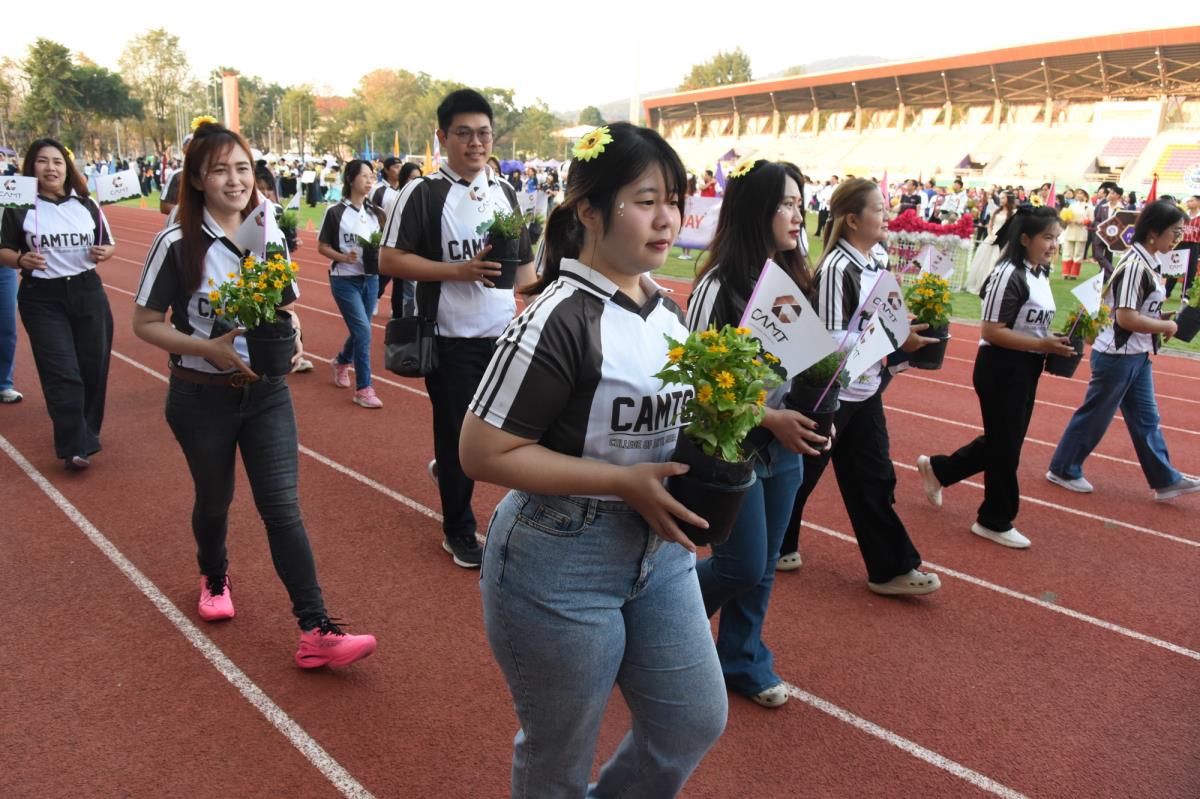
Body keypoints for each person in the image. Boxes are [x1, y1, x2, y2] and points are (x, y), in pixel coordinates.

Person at [459, 120, 726, 798]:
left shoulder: (668, 312)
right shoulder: (557, 317)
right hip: (560, 557)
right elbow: (480, 450)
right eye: (646, 201)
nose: (667, 219)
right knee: (560, 754)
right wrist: (620, 482)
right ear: (588, 210)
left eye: (674, 200)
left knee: (691, 719)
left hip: (660, 552)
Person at [131, 121, 376, 666]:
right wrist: (208, 348)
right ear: (198, 179)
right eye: (220, 169)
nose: (235, 179)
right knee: (214, 499)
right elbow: (143, 323)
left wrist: (292, 336)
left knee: (282, 508)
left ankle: (316, 630)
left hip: (266, 394)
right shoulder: (176, 242)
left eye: (242, 168)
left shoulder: (268, 231)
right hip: (200, 396)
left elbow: (283, 306)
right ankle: (214, 575)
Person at [685, 160, 827, 708]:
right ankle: (658, 621)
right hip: (731, 448)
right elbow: (696, 380)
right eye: (786, 204)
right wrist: (770, 418)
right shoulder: (718, 286)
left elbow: (802, 365)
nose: (797, 216)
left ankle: (741, 659)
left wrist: (822, 405)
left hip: (782, 447)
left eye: (799, 204)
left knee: (763, 566)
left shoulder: (791, 280)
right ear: (754, 210)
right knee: (740, 565)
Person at [380, 89, 534, 568]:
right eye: (463, 133)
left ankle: (452, 475)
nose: (475, 143)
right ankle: (459, 530)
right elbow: (389, 259)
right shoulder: (423, 193)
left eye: (483, 133)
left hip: (504, 338)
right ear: (442, 137)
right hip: (449, 338)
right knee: (457, 438)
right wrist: (458, 271)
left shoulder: (505, 191)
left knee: (514, 433)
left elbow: (525, 268)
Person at [776, 178, 942, 596]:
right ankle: (774, 543)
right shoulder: (836, 269)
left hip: (865, 389)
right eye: (879, 209)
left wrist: (901, 330)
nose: (886, 216)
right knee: (799, 477)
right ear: (853, 219)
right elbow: (830, 341)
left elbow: (882, 313)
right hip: (832, 393)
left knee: (874, 478)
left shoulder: (877, 257)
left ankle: (891, 569)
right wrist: (893, 337)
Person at [917, 207, 1076, 548]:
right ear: (1025, 239)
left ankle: (940, 470)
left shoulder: (1039, 272)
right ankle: (994, 519)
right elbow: (991, 331)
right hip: (1001, 367)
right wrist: (1041, 343)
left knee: (1005, 441)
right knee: (1006, 447)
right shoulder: (1008, 273)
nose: (1054, 245)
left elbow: (1027, 324)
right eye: (1048, 238)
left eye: (1057, 239)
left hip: (1026, 365)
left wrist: (1049, 340)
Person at [1047, 200, 1200, 501]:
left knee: (1146, 419)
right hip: (1117, 355)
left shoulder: (1148, 262)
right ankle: (1062, 468)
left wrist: (1160, 319)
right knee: (1096, 416)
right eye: (1174, 231)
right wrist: (1165, 326)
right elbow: (1125, 318)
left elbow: (1135, 310)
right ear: (1153, 232)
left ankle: (1165, 480)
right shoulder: (1134, 266)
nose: (1178, 238)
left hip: (1135, 355)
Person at [0, 138, 115, 468]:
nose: (50, 168)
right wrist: (20, 260)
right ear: (31, 167)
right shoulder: (19, 207)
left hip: (87, 292)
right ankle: (74, 446)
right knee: (62, 372)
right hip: (42, 298)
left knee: (93, 368)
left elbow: (108, 244)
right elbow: (3, 249)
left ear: (67, 168)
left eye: (57, 161)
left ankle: (87, 432)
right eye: (42, 161)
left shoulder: (87, 204)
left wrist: (105, 252)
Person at [318, 159, 385, 409]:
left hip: (371, 278)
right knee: (364, 331)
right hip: (344, 279)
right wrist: (343, 257)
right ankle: (364, 388)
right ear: (350, 179)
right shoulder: (335, 212)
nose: (369, 181)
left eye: (371, 176)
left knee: (361, 329)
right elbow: (322, 246)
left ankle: (342, 361)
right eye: (364, 176)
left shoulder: (376, 213)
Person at [375, 162, 422, 313]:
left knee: (406, 287)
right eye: (412, 178)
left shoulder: (422, 198)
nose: (416, 181)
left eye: (419, 178)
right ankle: (384, 304)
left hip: (415, 250)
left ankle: (400, 315)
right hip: (396, 247)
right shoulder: (393, 198)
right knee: (396, 282)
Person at [966, 191, 1016, 294]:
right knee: (985, 262)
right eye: (1000, 198)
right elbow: (990, 225)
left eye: (1003, 198)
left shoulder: (1013, 214)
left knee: (996, 261)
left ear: (1008, 199)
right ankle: (982, 284)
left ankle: (994, 286)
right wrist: (991, 235)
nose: (1001, 200)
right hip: (991, 238)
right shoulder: (995, 211)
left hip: (1004, 240)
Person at [1166, 194, 1200, 299]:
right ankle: (1166, 292)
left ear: (1198, 202)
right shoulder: (1183, 215)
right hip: (1180, 244)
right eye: (1188, 201)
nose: (1189, 202)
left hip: (1194, 245)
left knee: (1191, 270)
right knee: (1174, 268)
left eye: (1192, 201)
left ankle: (1185, 294)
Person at [1092, 184, 1124, 281]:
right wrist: (1101, 227)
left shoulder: (1122, 209)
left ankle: (1105, 276)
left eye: (1112, 193)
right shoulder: (1103, 207)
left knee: (1108, 256)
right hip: (1101, 235)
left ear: (1118, 196)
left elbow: (1124, 223)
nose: (1109, 195)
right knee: (1097, 254)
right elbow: (1097, 220)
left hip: (1113, 237)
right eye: (1109, 193)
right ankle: (1113, 271)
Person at [1059, 188, 1092, 280]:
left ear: (1085, 196)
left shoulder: (1088, 207)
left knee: (1078, 254)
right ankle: (1066, 273)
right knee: (1067, 252)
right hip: (1070, 230)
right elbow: (1066, 216)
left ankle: (1074, 274)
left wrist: (1080, 222)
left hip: (1081, 231)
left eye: (1081, 193)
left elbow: (1091, 219)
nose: (1079, 195)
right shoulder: (1072, 206)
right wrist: (1066, 220)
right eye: (1077, 193)